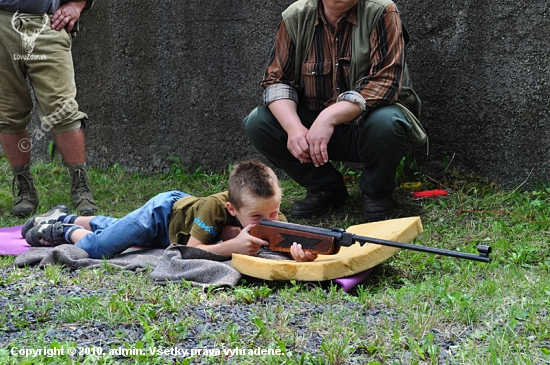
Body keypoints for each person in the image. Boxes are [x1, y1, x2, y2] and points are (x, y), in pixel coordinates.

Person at [243, 0, 423, 222]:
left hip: (366, 127)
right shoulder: (295, 16)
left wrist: (329, 117)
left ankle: (377, 193)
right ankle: (326, 189)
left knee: (387, 121)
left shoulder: (381, 11)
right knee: (259, 121)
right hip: (312, 133)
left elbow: (385, 82)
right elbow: (276, 81)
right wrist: (294, 129)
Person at [22, 160, 318, 262]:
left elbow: (282, 243)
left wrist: (297, 252)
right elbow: (189, 251)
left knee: (115, 226)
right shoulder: (215, 207)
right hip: (161, 215)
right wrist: (234, 246)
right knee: (101, 248)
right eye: (258, 218)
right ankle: (61, 230)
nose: (270, 222)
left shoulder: (268, 212)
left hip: (171, 227)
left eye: (275, 213)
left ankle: (65, 215)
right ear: (232, 208)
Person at [0, 0, 97, 216]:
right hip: (1, 23)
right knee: (8, 114)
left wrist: (78, 4)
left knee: (64, 111)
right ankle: (25, 190)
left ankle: (80, 187)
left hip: (47, 24)